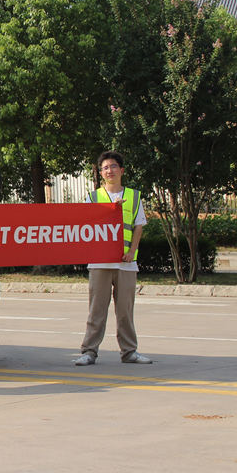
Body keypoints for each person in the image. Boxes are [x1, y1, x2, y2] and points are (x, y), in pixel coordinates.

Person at [74, 150, 153, 366]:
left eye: (113, 166)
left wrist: (132, 252)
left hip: (126, 263)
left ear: (122, 170)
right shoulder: (92, 198)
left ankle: (129, 352)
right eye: (105, 168)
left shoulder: (134, 196)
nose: (110, 170)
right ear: (100, 173)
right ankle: (89, 351)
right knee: (96, 309)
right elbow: (83, 227)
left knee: (125, 311)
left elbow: (138, 227)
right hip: (99, 262)